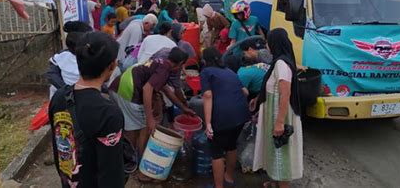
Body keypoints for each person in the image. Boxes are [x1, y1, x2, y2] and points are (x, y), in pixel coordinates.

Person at [49, 31, 125, 187]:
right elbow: (111, 174)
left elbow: (59, 148)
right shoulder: (109, 113)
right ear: (112, 65)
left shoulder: (58, 97)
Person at [109, 48, 189, 154]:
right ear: (179, 64)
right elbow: (147, 89)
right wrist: (150, 119)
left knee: (131, 125)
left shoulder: (160, 62)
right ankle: (137, 160)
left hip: (117, 87)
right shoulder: (165, 69)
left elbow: (168, 91)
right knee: (142, 128)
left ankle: (129, 156)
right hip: (129, 93)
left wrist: (183, 108)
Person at [253, 28, 303, 188]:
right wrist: (257, 99)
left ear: (274, 43)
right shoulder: (279, 61)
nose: (267, 45)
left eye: (268, 41)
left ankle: (282, 185)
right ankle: (275, 180)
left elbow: (285, 94)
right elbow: (270, 86)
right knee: (274, 148)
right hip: (272, 110)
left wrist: (280, 122)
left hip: (280, 113)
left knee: (282, 150)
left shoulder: (281, 64)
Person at [201, 47, 250, 188]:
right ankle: (228, 177)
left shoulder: (206, 72)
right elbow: (245, 92)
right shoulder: (229, 71)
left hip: (223, 117)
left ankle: (219, 186)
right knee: (231, 145)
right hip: (241, 114)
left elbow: (208, 96)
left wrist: (208, 123)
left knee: (216, 152)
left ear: (205, 60)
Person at [46, 21, 92, 99]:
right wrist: (67, 89)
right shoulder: (63, 55)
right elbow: (51, 74)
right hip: (65, 96)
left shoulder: (91, 55)